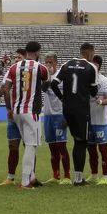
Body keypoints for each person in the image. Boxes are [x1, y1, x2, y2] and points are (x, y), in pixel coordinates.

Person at [0, 42, 49, 189]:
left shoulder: (14, 67)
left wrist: (9, 107)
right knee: (31, 145)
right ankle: (26, 181)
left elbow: (6, 88)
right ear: (38, 52)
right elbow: (46, 87)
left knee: (28, 143)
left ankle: (32, 178)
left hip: (16, 111)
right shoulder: (41, 68)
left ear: (26, 51)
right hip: (31, 111)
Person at [51, 43, 99, 186]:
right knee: (81, 142)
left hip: (67, 108)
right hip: (81, 109)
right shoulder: (91, 67)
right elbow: (94, 92)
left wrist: (62, 98)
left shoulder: (67, 64)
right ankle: (78, 179)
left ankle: (77, 177)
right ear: (91, 54)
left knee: (75, 139)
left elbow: (53, 84)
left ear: (80, 52)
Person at [1, 48, 28, 186]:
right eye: (15, 57)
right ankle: (10, 177)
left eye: (19, 57)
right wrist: (8, 108)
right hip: (14, 115)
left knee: (29, 146)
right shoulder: (11, 70)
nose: (16, 60)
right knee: (12, 145)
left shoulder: (31, 71)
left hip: (27, 113)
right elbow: (4, 90)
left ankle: (30, 176)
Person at [42, 53, 71, 184]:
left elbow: (68, 96)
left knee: (61, 146)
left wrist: (67, 115)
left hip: (60, 114)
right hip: (48, 115)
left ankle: (67, 176)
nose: (48, 65)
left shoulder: (62, 76)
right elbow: (43, 89)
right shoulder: (44, 76)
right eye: (46, 62)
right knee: (52, 146)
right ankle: (55, 175)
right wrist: (47, 76)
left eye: (51, 62)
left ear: (56, 62)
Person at [88, 55, 107, 184]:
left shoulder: (103, 80)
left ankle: (106, 177)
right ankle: (94, 175)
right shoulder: (85, 79)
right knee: (90, 149)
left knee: (103, 149)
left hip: (101, 120)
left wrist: (101, 101)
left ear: (97, 65)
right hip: (88, 120)